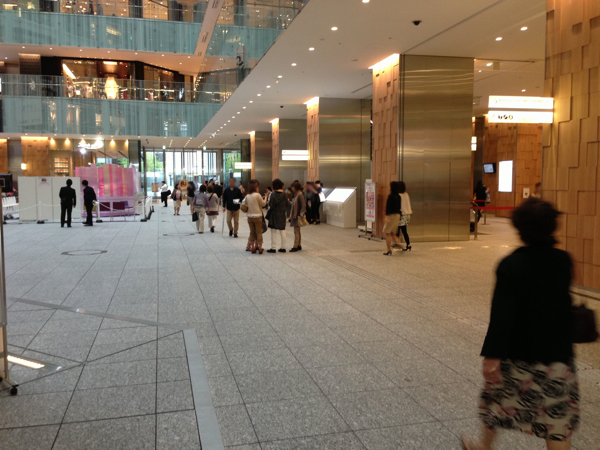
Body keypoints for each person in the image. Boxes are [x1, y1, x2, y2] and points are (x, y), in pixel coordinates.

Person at [462, 198, 579, 450]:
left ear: (520, 229)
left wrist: (492, 356)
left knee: (497, 403)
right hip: (557, 355)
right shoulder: (563, 260)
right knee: (557, 419)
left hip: (517, 355)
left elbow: (501, 316)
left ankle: (483, 446)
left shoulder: (511, 265)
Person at [243, 180, 266, 254]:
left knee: (252, 232)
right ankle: (260, 248)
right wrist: (266, 198)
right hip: (258, 216)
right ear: (255, 188)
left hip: (250, 217)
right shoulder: (258, 195)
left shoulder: (247, 196)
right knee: (259, 232)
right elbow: (263, 204)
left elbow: (244, 204)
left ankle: (252, 247)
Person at [267, 178, 287, 253]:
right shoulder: (285, 194)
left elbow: (271, 204)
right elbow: (286, 204)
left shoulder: (273, 194)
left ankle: (273, 247)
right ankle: (283, 247)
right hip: (282, 214)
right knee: (282, 230)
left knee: (273, 231)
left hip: (274, 214)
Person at [383, 181, 402, 256]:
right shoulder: (399, 196)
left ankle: (388, 249)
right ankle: (398, 243)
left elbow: (388, 207)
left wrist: (387, 216)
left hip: (391, 215)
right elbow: (399, 207)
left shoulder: (390, 196)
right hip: (397, 215)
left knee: (387, 232)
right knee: (392, 232)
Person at [289, 181, 306, 253]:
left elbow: (303, 205)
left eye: (292, 187)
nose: (292, 189)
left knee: (296, 231)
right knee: (297, 230)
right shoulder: (297, 194)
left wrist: (302, 214)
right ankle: (298, 245)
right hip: (296, 214)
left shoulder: (300, 195)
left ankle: (295, 246)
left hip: (297, 215)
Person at [395, 181, 412, 251]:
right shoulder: (406, 194)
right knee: (404, 231)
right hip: (407, 214)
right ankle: (408, 244)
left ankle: (397, 245)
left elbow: (398, 206)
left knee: (397, 231)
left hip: (401, 214)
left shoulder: (398, 195)